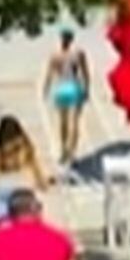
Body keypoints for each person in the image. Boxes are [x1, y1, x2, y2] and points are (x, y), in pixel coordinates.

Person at [43, 28, 90, 171]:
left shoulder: (55, 55)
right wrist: (87, 88)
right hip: (74, 87)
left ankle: (63, 150)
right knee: (75, 122)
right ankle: (72, 153)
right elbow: (85, 73)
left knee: (62, 122)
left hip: (61, 87)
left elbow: (49, 74)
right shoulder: (78, 53)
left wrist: (46, 89)